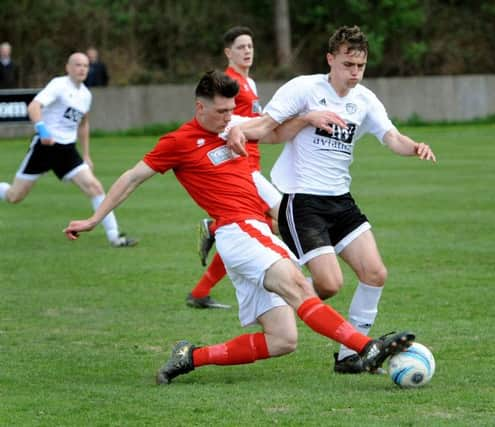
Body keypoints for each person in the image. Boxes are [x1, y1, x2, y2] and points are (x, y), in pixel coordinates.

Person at [62, 70, 415, 384]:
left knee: (282, 340)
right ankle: (365, 347)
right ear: (199, 107)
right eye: (220, 112)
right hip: (239, 230)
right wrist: (96, 218)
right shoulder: (178, 142)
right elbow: (132, 177)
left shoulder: (236, 128)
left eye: (232, 111)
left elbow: (276, 132)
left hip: (250, 233)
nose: (228, 119)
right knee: (298, 285)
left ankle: (190, 357)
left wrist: (307, 117)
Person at [226, 26, 436, 374]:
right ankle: (284, 301)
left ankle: (348, 354)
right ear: (331, 60)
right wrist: (238, 130)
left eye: (361, 65)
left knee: (375, 273)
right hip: (303, 201)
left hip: (341, 201)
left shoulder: (364, 100)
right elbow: (266, 127)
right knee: (329, 284)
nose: (354, 72)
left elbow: (393, 137)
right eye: (348, 64)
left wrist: (414, 147)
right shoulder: (304, 88)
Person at [0, 53, 136, 247]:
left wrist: (87, 154)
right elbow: (34, 107)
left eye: (86, 66)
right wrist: (43, 130)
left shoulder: (86, 95)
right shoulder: (59, 85)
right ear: (68, 67)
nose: (82, 69)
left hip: (67, 151)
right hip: (44, 148)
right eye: (78, 65)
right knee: (15, 196)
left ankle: (115, 237)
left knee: (95, 187)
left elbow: (83, 124)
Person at [187, 26, 279, 310]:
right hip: (241, 164)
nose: (247, 51)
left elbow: (251, 120)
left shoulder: (249, 83)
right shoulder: (227, 81)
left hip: (252, 158)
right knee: (280, 219)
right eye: (241, 47)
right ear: (228, 52)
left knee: (258, 227)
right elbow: (218, 120)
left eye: (250, 46)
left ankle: (201, 291)